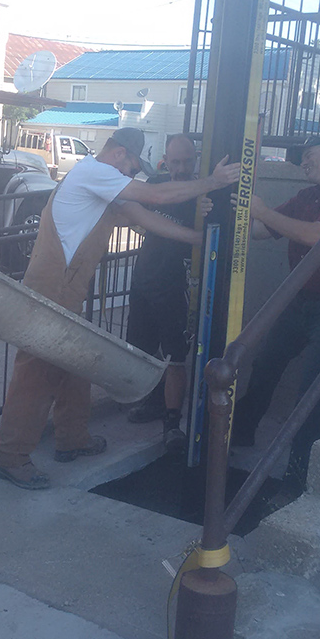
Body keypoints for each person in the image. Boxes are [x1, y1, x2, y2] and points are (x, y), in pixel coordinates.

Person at [0, 127, 240, 489]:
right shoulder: (96, 172)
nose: (129, 175)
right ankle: (12, 457)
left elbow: (144, 215)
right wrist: (211, 182)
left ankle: (73, 437)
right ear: (120, 154)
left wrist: (198, 239)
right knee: (37, 370)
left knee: (76, 359)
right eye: (130, 167)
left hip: (65, 287)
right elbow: (156, 193)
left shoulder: (99, 183)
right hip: (54, 285)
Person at [232, 136, 320, 489]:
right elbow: (262, 231)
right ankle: (240, 435)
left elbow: (317, 236)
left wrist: (262, 211)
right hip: (301, 300)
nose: (304, 163)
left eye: (309, 155)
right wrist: (227, 213)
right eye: (300, 159)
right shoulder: (306, 197)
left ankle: (300, 468)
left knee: (312, 385)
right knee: (266, 363)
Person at [125, 134, 211, 453]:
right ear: (165, 159)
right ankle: (154, 403)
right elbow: (132, 217)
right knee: (143, 350)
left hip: (177, 284)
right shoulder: (156, 184)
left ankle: (172, 423)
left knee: (175, 356)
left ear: (195, 159)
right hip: (145, 278)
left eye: (187, 161)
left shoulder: (202, 192)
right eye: (175, 161)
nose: (181, 168)